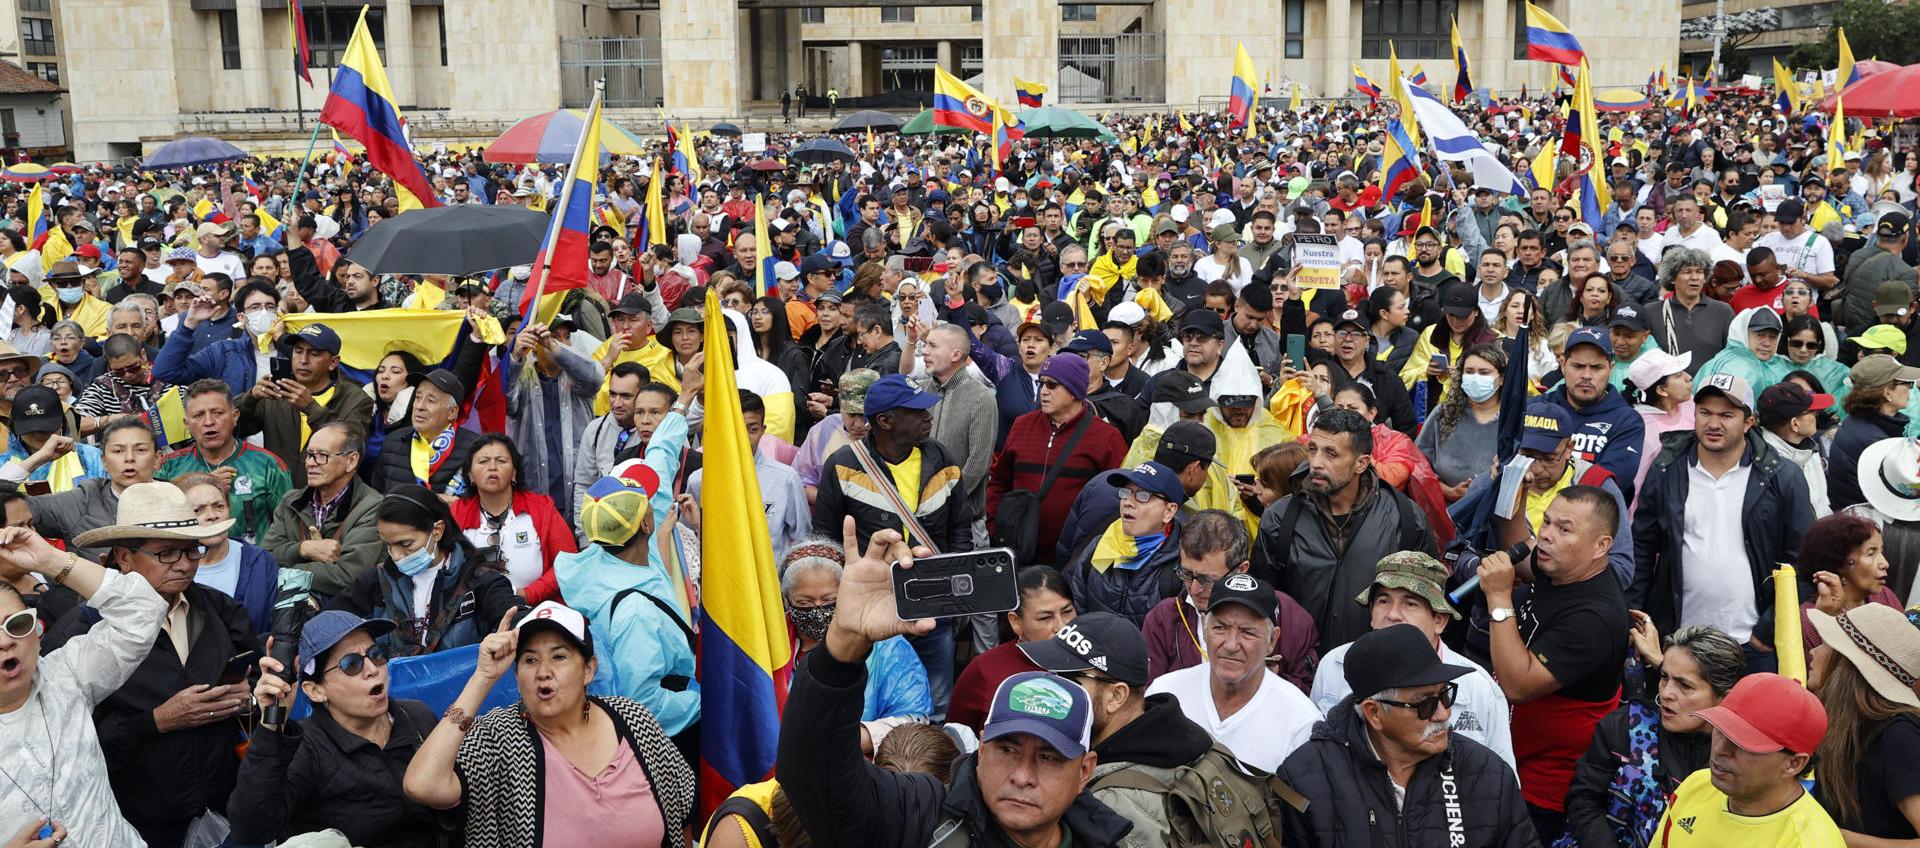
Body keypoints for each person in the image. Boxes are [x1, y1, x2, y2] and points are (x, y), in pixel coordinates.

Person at [775, 522, 1134, 848]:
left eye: (1047, 757)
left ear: (1085, 770)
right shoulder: (920, 820)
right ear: (980, 750)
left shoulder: (1115, 838)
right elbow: (814, 780)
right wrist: (844, 643)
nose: (1022, 776)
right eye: (1007, 749)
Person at [42, 481, 259, 848]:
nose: (186, 565)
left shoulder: (220, 609)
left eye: (193, 551)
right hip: (137, 819)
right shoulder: (84, 631)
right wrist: (156, 722)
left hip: (222, 806)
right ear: (124, 557)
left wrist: (246, 697)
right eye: (168, 554)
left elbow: (253, 673)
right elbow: (66, 744)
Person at [402, 600, 697, 847]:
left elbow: (683, 810)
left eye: (559, 657)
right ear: (516, 677)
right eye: (530, 661)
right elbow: (422, 785)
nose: (544, 672)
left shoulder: (632, 719)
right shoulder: (498, 736)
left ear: (589, 670)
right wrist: (483, 677)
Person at [1023, 611, 1303, 848]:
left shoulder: (1110, 803)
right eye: (1051, 675)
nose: (1053, 688)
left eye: (1070, 679)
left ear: (1116, 696)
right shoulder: (1192, 739)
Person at [1281, 624, 1537, 848]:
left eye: (1445, 695)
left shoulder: (1487, 773)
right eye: (1424, 704)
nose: (1443, 713)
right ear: (1374, 713)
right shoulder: (1305, 780)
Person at [1474, 485, 1631, 841]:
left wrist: (1499, 597)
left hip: (1548, 788)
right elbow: (1521, 549)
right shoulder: (1559, 565)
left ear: (1601, 546)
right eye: (1547, 522)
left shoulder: (1595, 617)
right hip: (1515, 760)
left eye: (1565, 529)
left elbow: (1518, 685)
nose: (1546, 535)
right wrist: (1517, 498)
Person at [0, 517, 165, 847]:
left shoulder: (66, 676)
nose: (5, 642)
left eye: (16, 625)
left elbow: (143, 610)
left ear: (38, 634)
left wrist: (51, 560)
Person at [1632, 373, 1815, 665]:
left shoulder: (1782, 477)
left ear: (1749, 422)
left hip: (1750, 643)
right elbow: (1642, 547)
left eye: (1727, 415)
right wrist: (1636, 617)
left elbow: (1804, 561)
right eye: (1705, 412)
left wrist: (1767, 630)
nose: (1713, 424)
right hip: (1679, 639)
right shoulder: (1667, 468)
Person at [229, 611, 444, 847]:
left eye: (377, 654)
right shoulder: (305, 747)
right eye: (351, 664)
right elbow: (251, 829)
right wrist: (272, 721)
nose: (372, 669)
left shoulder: (416, 716)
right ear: (315, 690)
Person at [1311, 551, 1514, 769]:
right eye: (1383, 600)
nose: (1393, 614)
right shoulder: (1334, 665)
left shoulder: (1479, 689)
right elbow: (1317, 755)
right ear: (1371, 613)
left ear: (1439, 621)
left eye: (1410, 603)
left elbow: (1502, 783)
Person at [1251, 408, 1435, 647]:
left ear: (1361, 463)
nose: (1316, 463)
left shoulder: (1406, 519)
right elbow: (1262, 601)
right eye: (1313, 449)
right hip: (1299, 670)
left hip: (1378, 665)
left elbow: (1426, 605)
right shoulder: (1280, 517)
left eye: (1331, 454)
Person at [1560, 623, 1745, 848]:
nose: (1666, 693)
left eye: (1684, 686)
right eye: (1664, 677)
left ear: (1724, 698)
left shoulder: (1740, 757)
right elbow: (1583, 801)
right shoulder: (1622, 727)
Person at [559, 466, 700, 749]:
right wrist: (704, 702)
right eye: (647, 505)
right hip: (670, 739)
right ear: (647, 525)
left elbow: (660, 457)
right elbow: (644, 702)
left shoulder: (604, 561)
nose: (653, 506)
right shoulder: (635, 612)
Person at [1144, 573, 1321, 771]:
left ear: (1272, 640)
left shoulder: (1301, 723)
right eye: (1220, 627)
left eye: (1248, 632)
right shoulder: (1165, 694)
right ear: (1204, 628)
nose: (1231, 645)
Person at [325, 486, 522, 656]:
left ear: (437, 531)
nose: (396, 555)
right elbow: (327, 622)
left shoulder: (478, 580)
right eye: (388, 545)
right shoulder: (379, 580)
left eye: (405, 544)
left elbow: (517, 617)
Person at [1652, 673, 1843, 846]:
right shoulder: (1697, 784)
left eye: (1742, 743)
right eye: (1720, 729)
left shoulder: (1810, 842)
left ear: (1794, 764)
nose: (1720, 750)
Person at [1138, 508, 1318, 691]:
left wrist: (1272, 679)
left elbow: (1311, 691)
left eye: (1207, 580)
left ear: (1241, 569)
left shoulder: (1287, 615)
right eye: (1185, 574)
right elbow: (1149, 697)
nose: (1193, 589)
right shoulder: (1164, 619)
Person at [987, 354, 1129, 565]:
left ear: (1074, 391)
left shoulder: (1106, 437)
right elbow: (999, 480)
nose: (1043, 391)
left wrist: (1090, 547)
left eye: (1052, 385)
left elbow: (1119, 497)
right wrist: (995, 524)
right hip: (1017, 552)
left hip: (1072, 558)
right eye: (1041, 383)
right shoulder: (1022, 425)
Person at [1808, 603, 1920, 841]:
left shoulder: (1898, 738)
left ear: (1847, 665)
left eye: (1827, 642)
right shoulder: (1843, 725)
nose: (1813, 651)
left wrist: (1839, 838)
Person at [157, 378, 292, 543]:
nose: (209, 422)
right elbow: (157, 524)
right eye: (198, 415)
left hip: (253, 564)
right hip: (191, 563)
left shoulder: (267, 464)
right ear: (187, 423)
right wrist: (205, 485)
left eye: (218, 413)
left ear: (235, 416)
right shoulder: (168, 467)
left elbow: (288, 530)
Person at [261, 422, 386, 598]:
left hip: (347, 615)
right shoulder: (291, 501)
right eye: (310, 455)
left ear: (351, 461)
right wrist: (303, 549)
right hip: (287, 607)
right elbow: (264, 559)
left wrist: (282, 570)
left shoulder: (372, 507)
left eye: (322, 455)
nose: (311, 463)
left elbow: (348, 576)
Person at [947, 567, 1077, 731]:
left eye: (1067, 612)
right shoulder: (985, 669)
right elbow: (957, 737)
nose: (1061, 626)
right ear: (1015, 621)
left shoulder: (1093, 661)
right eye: (1045, 617)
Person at [1062, 461, 1186, 626]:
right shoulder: (1100, 546)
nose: (1127, 502)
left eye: (1143, 496)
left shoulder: (1184, 565)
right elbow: (1076, 611)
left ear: (1169, 511)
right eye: (1125, 492)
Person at [30, 418, 162, 563]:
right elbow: (8, 508)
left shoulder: (179, 497)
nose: (129, 458)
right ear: (104, 461)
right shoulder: (82, 501)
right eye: (118, 451)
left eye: (140, 450)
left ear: (157, 458)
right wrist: (39, 458)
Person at [1543, 327, 1648, 500]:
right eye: (1578, 366)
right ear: (1562, 365)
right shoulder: (1536, 409)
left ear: (1611, 368)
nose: (1586, 375)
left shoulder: (1627, 421)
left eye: (1597, 368)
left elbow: (1607, 488)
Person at [171, 472, 280, 635]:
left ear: (230, 509)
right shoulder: (170, 569)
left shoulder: (260, 562)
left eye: (219, 506)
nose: (212, 516)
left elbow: (276, 627)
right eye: (198, 510)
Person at [1416, 342, 1504, 496]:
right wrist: (1447, 491)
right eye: (1469, 371)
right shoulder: (1443, 413)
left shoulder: (1512, 419)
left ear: (1501, 378)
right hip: (1443, 510)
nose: (1476, 378)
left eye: (1484, 373)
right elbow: (1417, 464)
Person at [1829, 354, 1915, 511]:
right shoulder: (1875, 441)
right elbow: (1906, 494)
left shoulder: (1862, 423)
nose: (1911, 388)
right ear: (1887, 392)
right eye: (1907, 383)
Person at [375, 368, 481, 495]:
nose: (420, 406)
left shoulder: (474, 449)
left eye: (431, 401)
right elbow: (376, 496)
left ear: (452, 412)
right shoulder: (393, 442)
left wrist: (458, 505)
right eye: (418, 397)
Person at [0, 385, 103, 492]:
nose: (39, 432)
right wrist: (38, 458)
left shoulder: (90, 457)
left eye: (47, 426)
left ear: (62, 422)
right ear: (13, 427)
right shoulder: (2, 463)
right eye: (29, 428)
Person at [1756, 382, 1834, 518]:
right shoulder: (1768, 467)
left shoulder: (1809, 450)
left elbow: (1823, 507)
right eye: (1812, 411)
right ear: (1795, 423)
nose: (1817, 414)